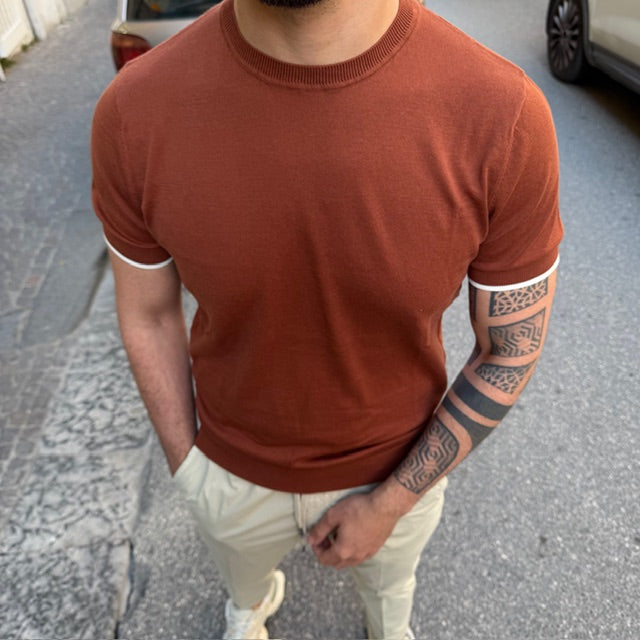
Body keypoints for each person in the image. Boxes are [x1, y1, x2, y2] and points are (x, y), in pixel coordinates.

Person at [91, 0, 563, 637]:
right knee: (243, 590)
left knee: (391, 597)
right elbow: (148, 315)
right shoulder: (133, 111)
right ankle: (248, 609)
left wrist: (392, 502)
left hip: (401, 470)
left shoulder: (502, 115)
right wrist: (190, 469)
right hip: (226, 471)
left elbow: (510, 346)